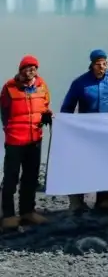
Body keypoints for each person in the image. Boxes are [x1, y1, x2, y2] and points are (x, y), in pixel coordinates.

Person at [60, 49, 108, 214]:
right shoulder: (80, 83)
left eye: (105, 63)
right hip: (86, 131)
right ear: (92, 65)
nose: (102, 67)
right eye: (98, 64)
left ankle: (103, 198)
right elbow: (68, 106)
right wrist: (66, 124)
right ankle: (78, 201)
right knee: (83, 164)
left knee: (104, 163)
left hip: (106, 130)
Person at [0, 56, 51, 231]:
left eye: (34, 68)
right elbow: (4, 111)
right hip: (15, 140)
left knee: (31, 177)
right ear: (21, 70)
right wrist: (8, 129)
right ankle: (8, 216)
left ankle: (27, 212)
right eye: (27, 68)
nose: (31, 71)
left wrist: (47, 114)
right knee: (10, 178)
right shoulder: (9, 87)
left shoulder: (42, 86)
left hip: (34, 140)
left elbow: (45, 105)